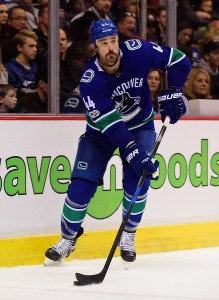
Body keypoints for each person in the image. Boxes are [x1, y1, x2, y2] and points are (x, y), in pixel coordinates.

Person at [44, 19, 191, 265]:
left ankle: (128, 235)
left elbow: (178, 60)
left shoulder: (138, 51)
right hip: (101, 134)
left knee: (138, 182)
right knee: (81, 186)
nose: (111, 47)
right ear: (95, 47)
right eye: (104, 43)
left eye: (113, 40)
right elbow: (112, 125)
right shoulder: (91, 81)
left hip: (141, 125)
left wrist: (173, 90)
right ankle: (68, 239)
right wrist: (132, 150)